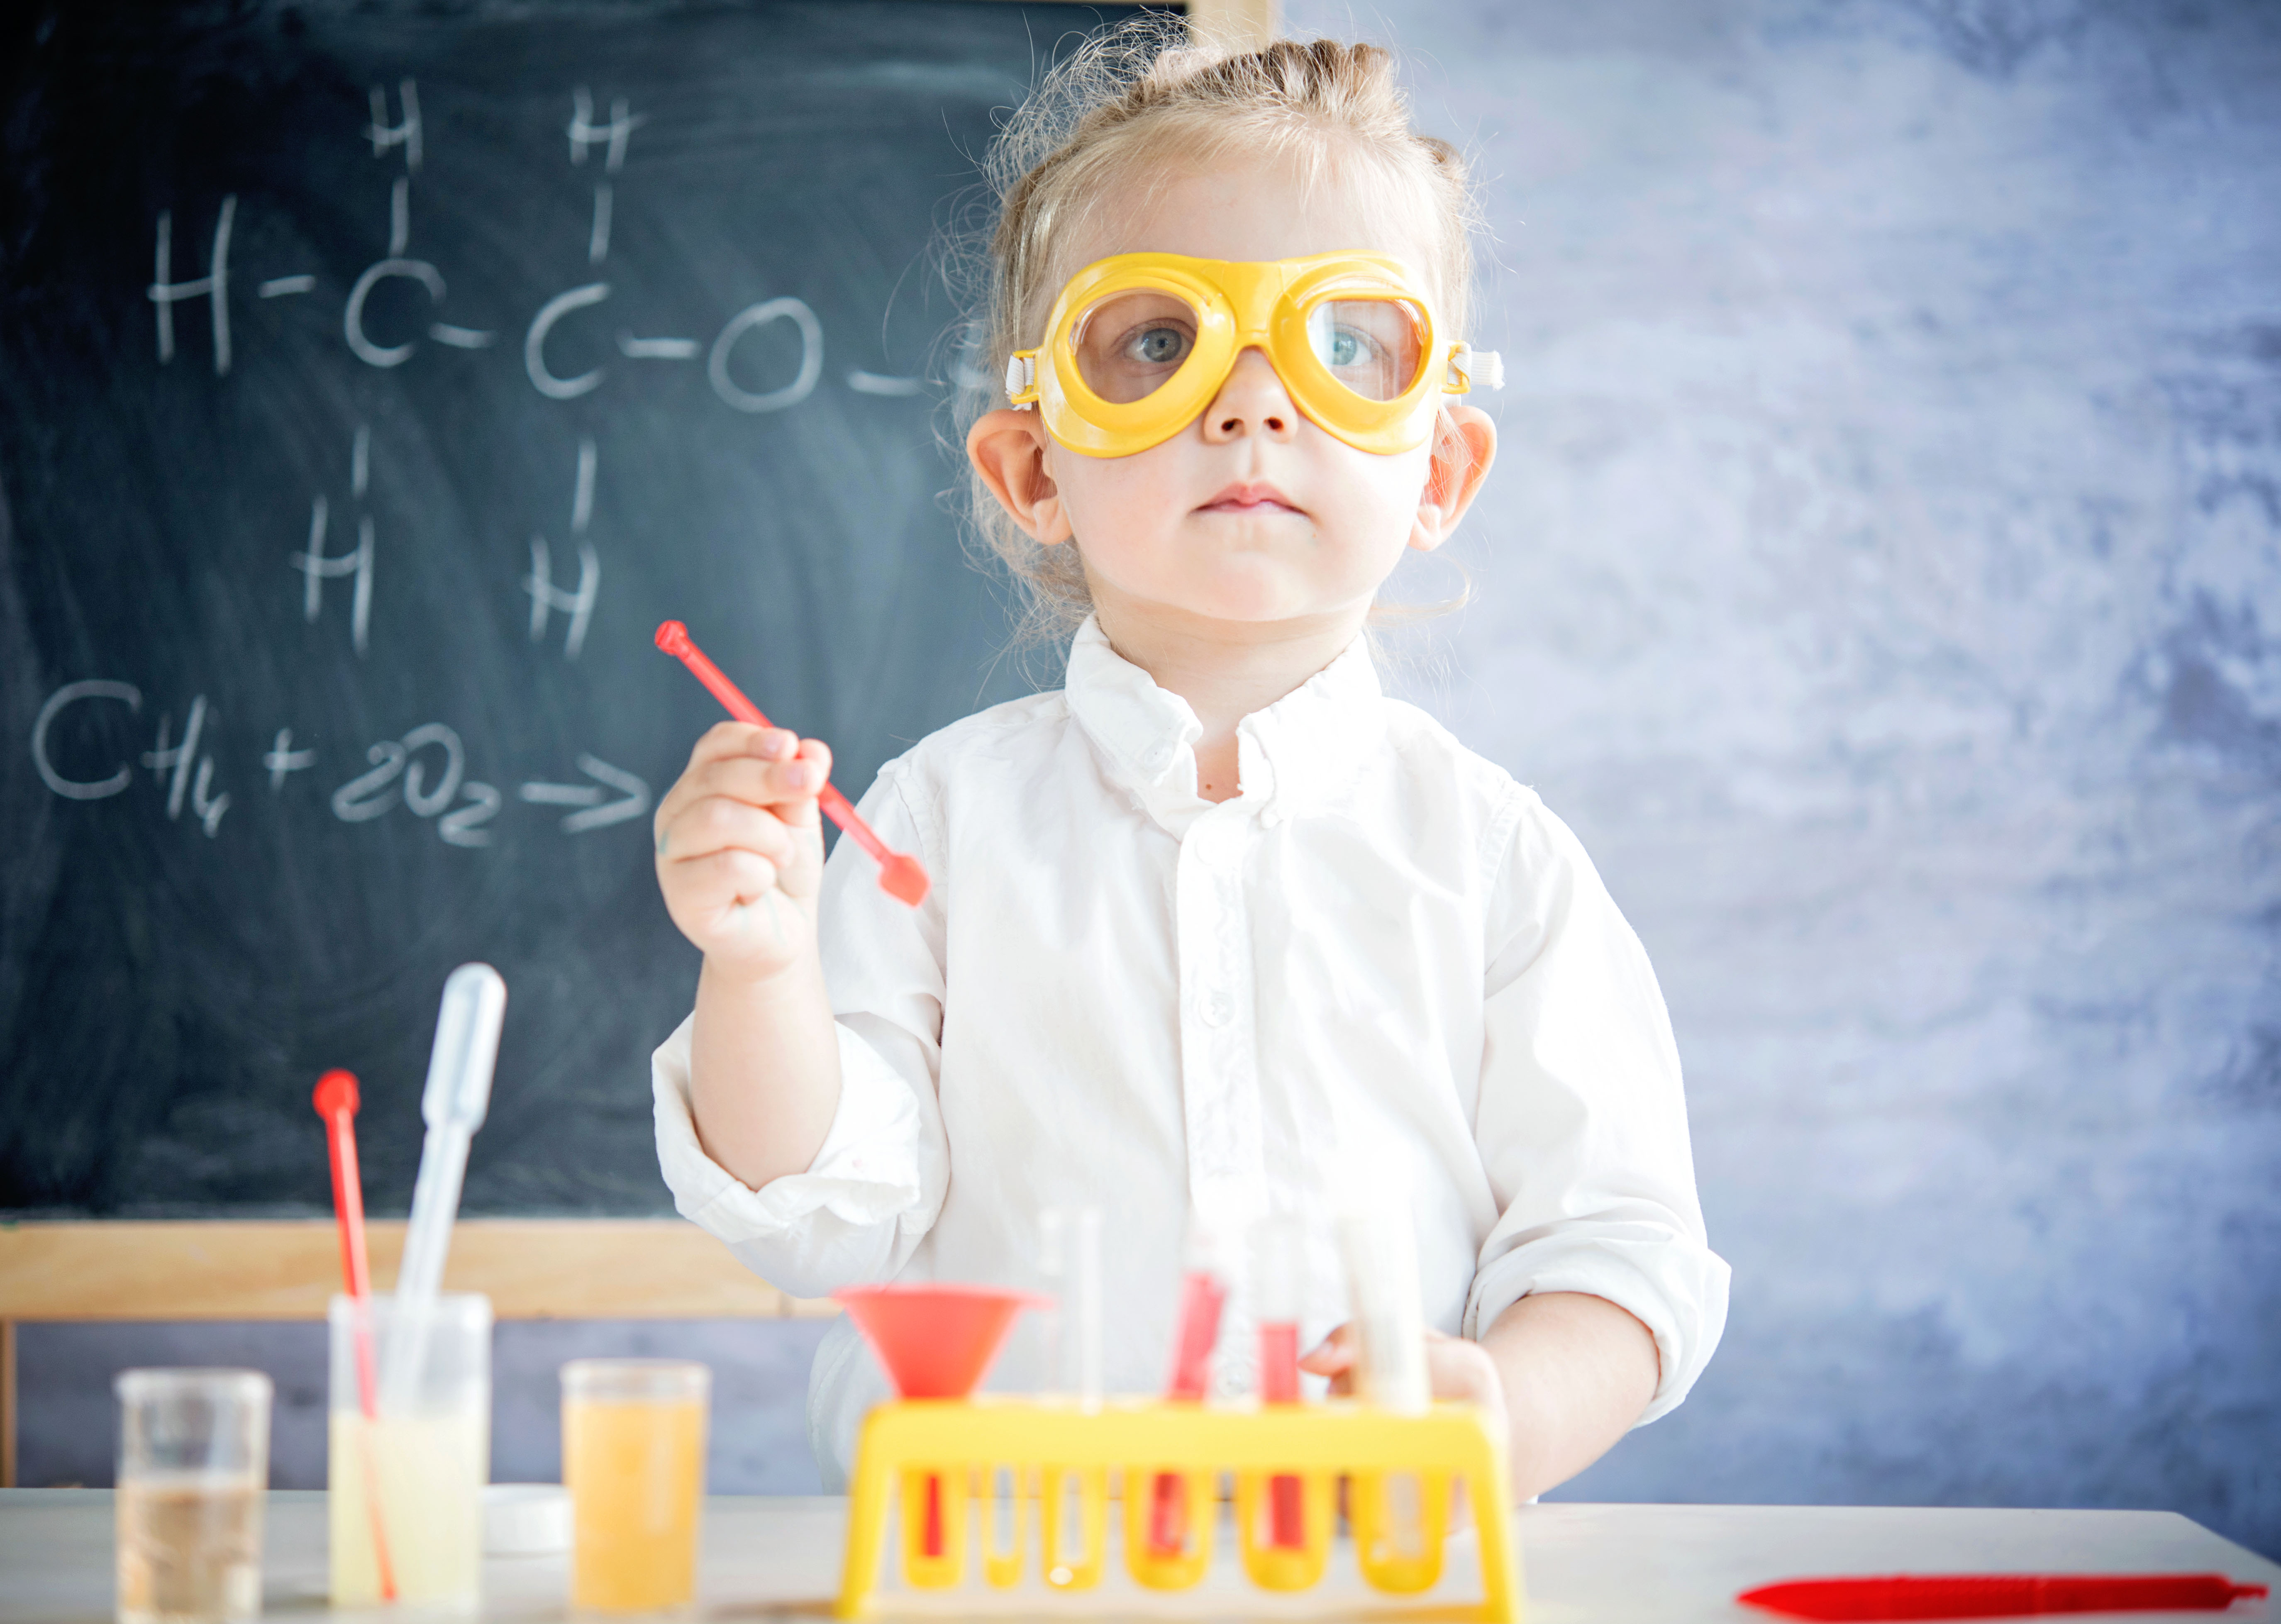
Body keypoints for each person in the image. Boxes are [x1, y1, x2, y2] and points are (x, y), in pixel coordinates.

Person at [649, 30, 1729, 1495]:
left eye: (1345, 348)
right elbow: (821, 1219)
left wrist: (1502, 1412)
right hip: (996, 1578)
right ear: (1034, 469)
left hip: (1367, 1576)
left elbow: (1618, 1252)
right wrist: (760, 966)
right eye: (1160, 344)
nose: (1253, 405)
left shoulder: (1496, 863)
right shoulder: (935, 827)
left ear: (1439, 471)